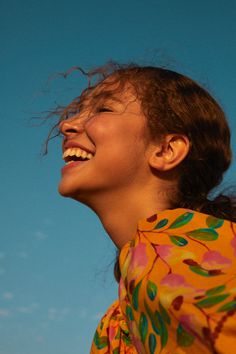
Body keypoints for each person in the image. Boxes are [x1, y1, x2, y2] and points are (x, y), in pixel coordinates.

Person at [57, 63, 236, 353]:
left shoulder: (166, 250)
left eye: (104, 109)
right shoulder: (116, 322)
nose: (67, 124)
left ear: (166, 150)